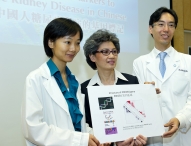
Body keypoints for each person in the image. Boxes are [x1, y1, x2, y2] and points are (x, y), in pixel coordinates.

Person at [132, 7, 191, 146]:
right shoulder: (139, 64)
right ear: (150, 29)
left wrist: (180, 120)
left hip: (184, 136)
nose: (166, 29)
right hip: (154, 138)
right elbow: (135, 104)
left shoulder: (189, 62)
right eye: (161, 24)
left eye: (171, 25)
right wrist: (144, 94)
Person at [21, 18, 100, 146]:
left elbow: (77, 125)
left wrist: (97, 137)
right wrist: (80, 140)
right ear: (51, 42)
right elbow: (33, 129)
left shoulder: (74, 81)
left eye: (77, 43)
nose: (74, 48)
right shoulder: (36, 79)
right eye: (68, 42)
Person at [81, 29, 148, 146]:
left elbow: (139, 118)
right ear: (92, 56)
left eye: (114, 51)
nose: (112, 56)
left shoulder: (132, 82)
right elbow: (85, 125)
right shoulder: (84, 89)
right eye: (105, 52)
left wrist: (149, 96)